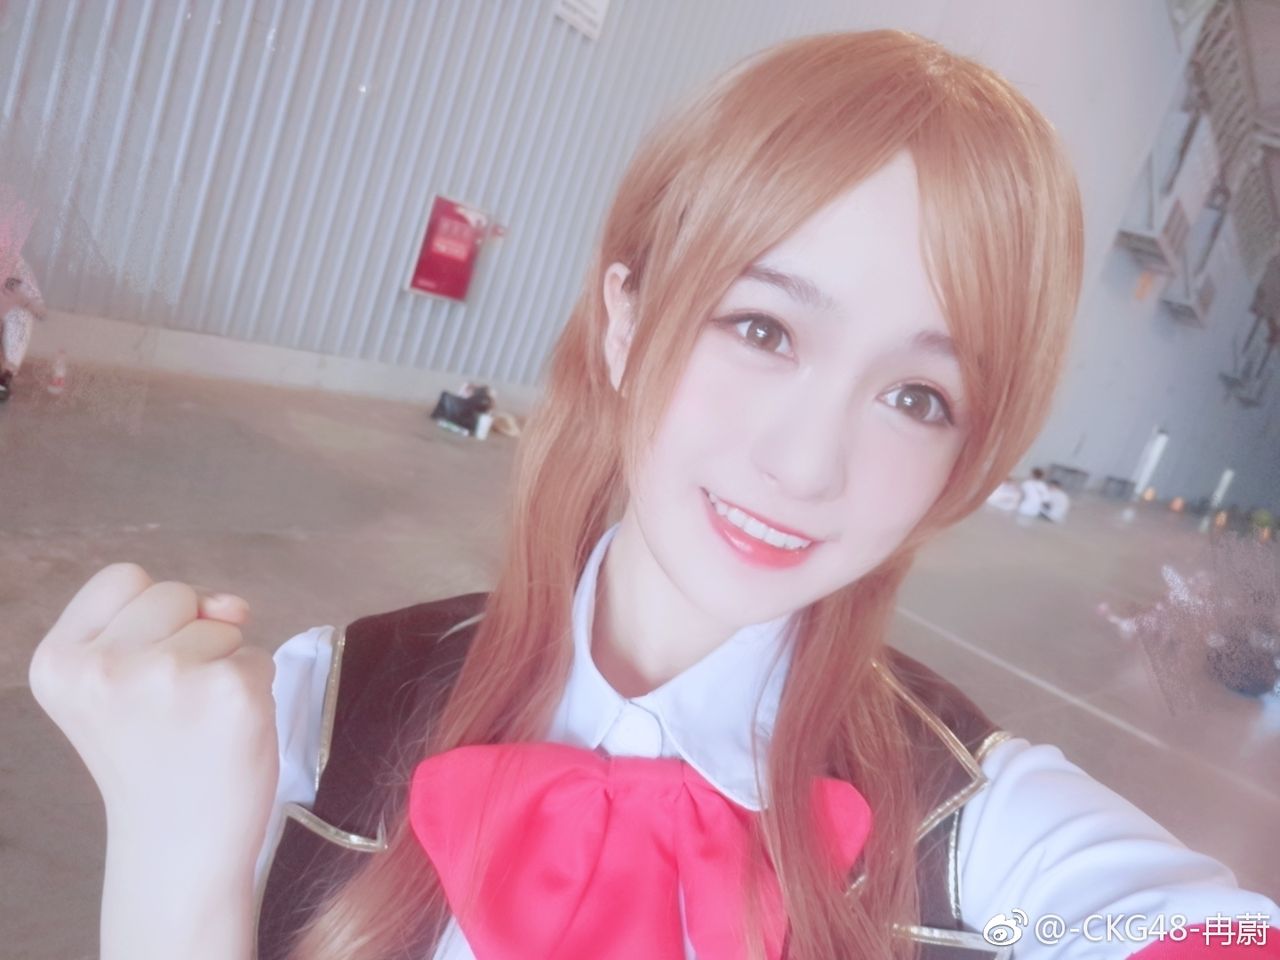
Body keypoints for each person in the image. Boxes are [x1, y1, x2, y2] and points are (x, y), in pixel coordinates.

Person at [28, 30, 1279, 960]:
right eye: (761, 328)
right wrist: (173, 854)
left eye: (915, 396)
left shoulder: (980, 832)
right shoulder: (311, 714)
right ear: (624, 322)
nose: (805, 465)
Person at [0, 253, 45, 402]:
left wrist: (32, 304)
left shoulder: (17, 263)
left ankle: (6, 376)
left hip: (11, 309)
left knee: (22, 315)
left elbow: (34, 300)